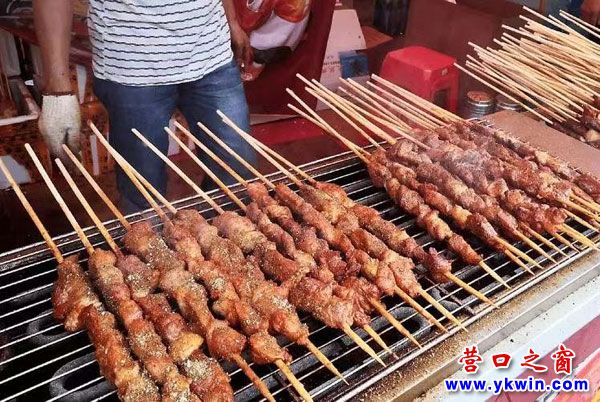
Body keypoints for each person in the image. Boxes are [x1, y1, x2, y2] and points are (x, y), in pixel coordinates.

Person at [33, 0, 258, 213]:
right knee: (143, 194)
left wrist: (232, 22)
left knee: (237, 177)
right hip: (131, 73)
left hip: (213, 56)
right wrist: (58, 91)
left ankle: (224, 236)